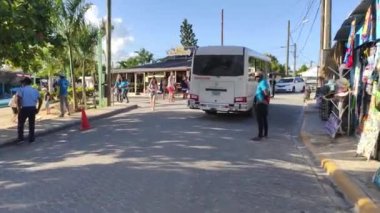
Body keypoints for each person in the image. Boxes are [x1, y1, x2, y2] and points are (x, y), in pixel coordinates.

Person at [16, 77, 42, 143]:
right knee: (31, 124)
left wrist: (18, 109)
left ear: (24, 83)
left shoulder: (21, 89)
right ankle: (31, 138)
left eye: (22, 82)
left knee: (21, 124)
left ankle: (21, 138)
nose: (22, 84)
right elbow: (40, 100)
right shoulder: (35, 90)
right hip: (33, 108)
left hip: (24, 108)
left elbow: (18, 99)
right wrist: (38, 109)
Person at [251, 71, 270, 141]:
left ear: (260, 77)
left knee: (260, 120)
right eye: (255, 77)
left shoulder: (262, 83)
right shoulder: (263, 82)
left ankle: (260, 136)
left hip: (261, 104)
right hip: (263, 104)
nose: (255, 78)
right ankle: (265, 134)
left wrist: (263, 100)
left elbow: (266, 92)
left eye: (257, 76)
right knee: (264, 119)